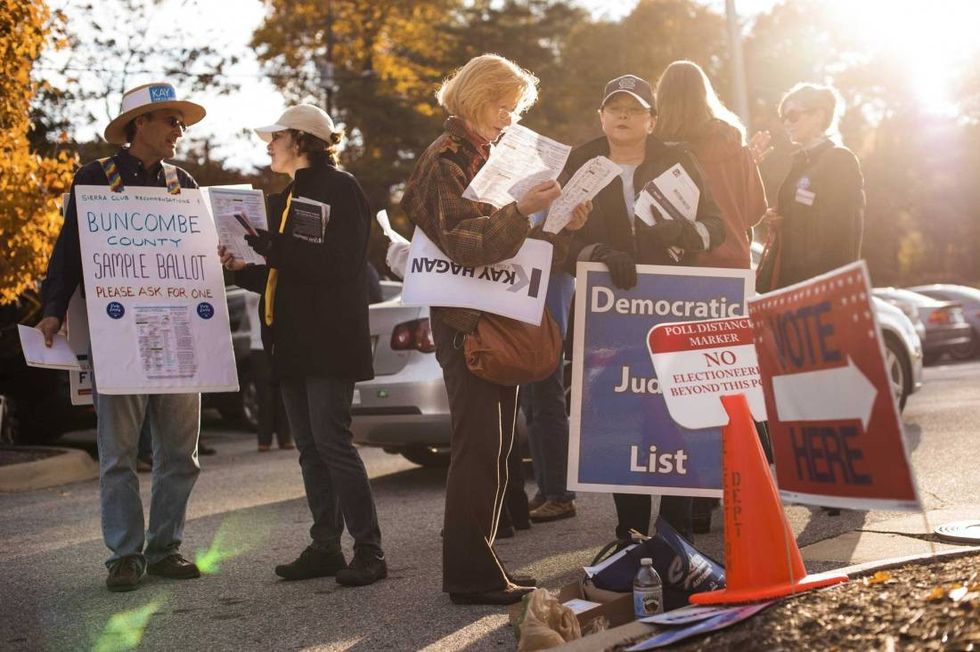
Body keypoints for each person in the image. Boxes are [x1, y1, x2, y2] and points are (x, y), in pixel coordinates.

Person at [400, 54, 590, 605]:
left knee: (497, 447)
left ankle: (482, 564)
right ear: (475, 98)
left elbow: (519, 249)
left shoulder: (487, 154)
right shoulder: (444, 160)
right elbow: (467, 245)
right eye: (503, 106)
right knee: (478, 448)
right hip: (468, 325)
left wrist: (561, 224)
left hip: (494, 316)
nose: (509, 118)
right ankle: (468, 576)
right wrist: (521, 209)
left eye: (515, 108)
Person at [36, 82, 206, 592]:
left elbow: (198, 257)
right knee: (119, 453)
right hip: (118, 335)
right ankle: (125, 556)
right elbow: (68, 252)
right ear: (140, 125)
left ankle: (165, 548)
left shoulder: (185, 183)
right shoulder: (94, 178)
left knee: (180, 452)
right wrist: (51, 310)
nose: (180, 130)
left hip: (177, 333)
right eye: (171, 121)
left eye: (180, 122)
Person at [219, 104, 386, 587]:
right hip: (290, 342)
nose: (267, 144)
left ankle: (369, 553)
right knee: (310, 450)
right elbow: (286, 275)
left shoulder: (340, 187)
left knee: (333, 444)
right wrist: (241, 269)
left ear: (302, 140)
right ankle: (325, 547)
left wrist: (271, 246)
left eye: (275, 137)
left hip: (328, 341)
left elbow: (338, 263)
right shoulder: (289, 195)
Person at [562, 74, 726, 543]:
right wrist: (597, 254)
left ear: (652, 120)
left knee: (674, 417)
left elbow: (718, 228)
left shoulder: (679, 160)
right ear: (601, 116)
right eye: (614, 108)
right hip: (609, 318)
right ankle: (630, 533)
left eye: (634, 110)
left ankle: (677, 532)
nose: (623, 117)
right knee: (622, 419)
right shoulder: (583, 161)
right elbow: (558, 239)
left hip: (673, 311)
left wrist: (684, 233)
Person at [652, 60, 769, 532]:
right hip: (734, 272)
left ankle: (696, 501)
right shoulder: (733, 141)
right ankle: (750, 488)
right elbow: (758, 209)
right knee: (731, 383)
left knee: (686, 387)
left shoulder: (661, 148)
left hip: (684, 272)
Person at [755, 82, 865, 293]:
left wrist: (831, 289)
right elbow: (803, 211)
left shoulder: (840, 160)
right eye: (783, 117)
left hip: (816, 287)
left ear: (819, 116)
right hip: (787, 281)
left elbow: (845, 234)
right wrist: (780, 217)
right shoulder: (800, 162)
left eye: (793, 115)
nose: (786, 123)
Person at [522, 269, 577, 523]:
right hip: (528, 313)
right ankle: (547, 490)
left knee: (548, 406)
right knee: (533, 408)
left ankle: (561, 495)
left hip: (548, 317)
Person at [244, 290, 293, 452]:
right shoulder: (251, 289)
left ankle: (285, 438)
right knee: (265, 395)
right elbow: (257, 293)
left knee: (282, 393)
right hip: (259, 348)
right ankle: (264, 440)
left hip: (279, 346)